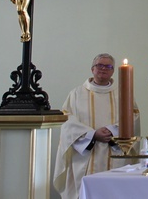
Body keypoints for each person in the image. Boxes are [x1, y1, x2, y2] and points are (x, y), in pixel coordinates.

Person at [53, 54, 140, 199]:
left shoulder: (123, 93)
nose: (103, 69)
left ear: (113, 71)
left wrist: (112, 131)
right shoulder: (76, 94)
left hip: (115, 151)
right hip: (85, 155)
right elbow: (67, 119)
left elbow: (134, 116)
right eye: (100, 65)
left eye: (108, 66)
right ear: (92, 69)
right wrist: (92, 134)